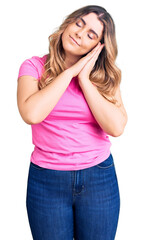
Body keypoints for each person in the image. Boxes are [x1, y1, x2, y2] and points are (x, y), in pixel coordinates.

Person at [17, 5, 128, 240]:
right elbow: (31, 114)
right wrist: (69, 73)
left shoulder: (106, 77)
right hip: (46, 180)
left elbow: (116, 127)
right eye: (79, 23)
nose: (80, 33)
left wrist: (85, 78)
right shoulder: (34, 67)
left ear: (98, 47)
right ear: (68, 23)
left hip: (98, 178)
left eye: (91, 34)